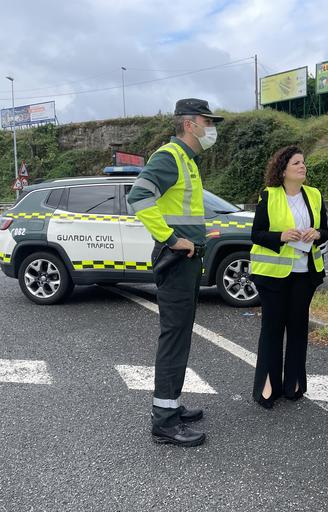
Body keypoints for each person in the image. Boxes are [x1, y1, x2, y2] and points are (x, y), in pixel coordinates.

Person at [126, 98, 223, 447]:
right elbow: (137, 198)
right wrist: (171, 239)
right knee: (173, 338)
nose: (211, 127)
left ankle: (171, 406)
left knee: (179, 336)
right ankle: (164, 422)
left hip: (186, 260)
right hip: (176, 259)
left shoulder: (188, 161)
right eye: (206, 121)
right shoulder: (170, 156)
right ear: (188, 123)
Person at [250, 146, 328, 409]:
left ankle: (294, 383)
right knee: (272, 329)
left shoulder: (315, 195)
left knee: (298, 329)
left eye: (304, 163)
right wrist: (281, 236)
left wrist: (316, 234)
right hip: (272, 276)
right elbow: (257, 234)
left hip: (304, 274)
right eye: (297, 163)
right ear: (283, 170)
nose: (302, 166)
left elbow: (326, 231)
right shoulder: (269, 195)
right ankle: (267, 385)